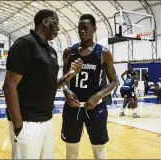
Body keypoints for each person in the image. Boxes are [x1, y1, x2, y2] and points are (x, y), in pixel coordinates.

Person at [3, 9, 83, 159]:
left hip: (47, 120)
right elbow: (9, 86)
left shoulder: (50, 50)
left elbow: (50, 85)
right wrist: (19, 126)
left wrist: (70, 74)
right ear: (46, 21)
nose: (58, 28)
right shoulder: (25, 44)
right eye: (56, 23)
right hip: (27, 122)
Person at [61, 14, 117, 159]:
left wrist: (99, 95)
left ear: (94, 29)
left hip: (96, 108)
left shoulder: (103, 53)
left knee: (99, 150)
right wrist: (66, 91)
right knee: (71, 151)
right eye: (79, 28)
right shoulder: (69, 51)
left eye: (86, 28)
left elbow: (114, 82)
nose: (82, 31)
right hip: (72, 108)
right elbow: (64, 80)